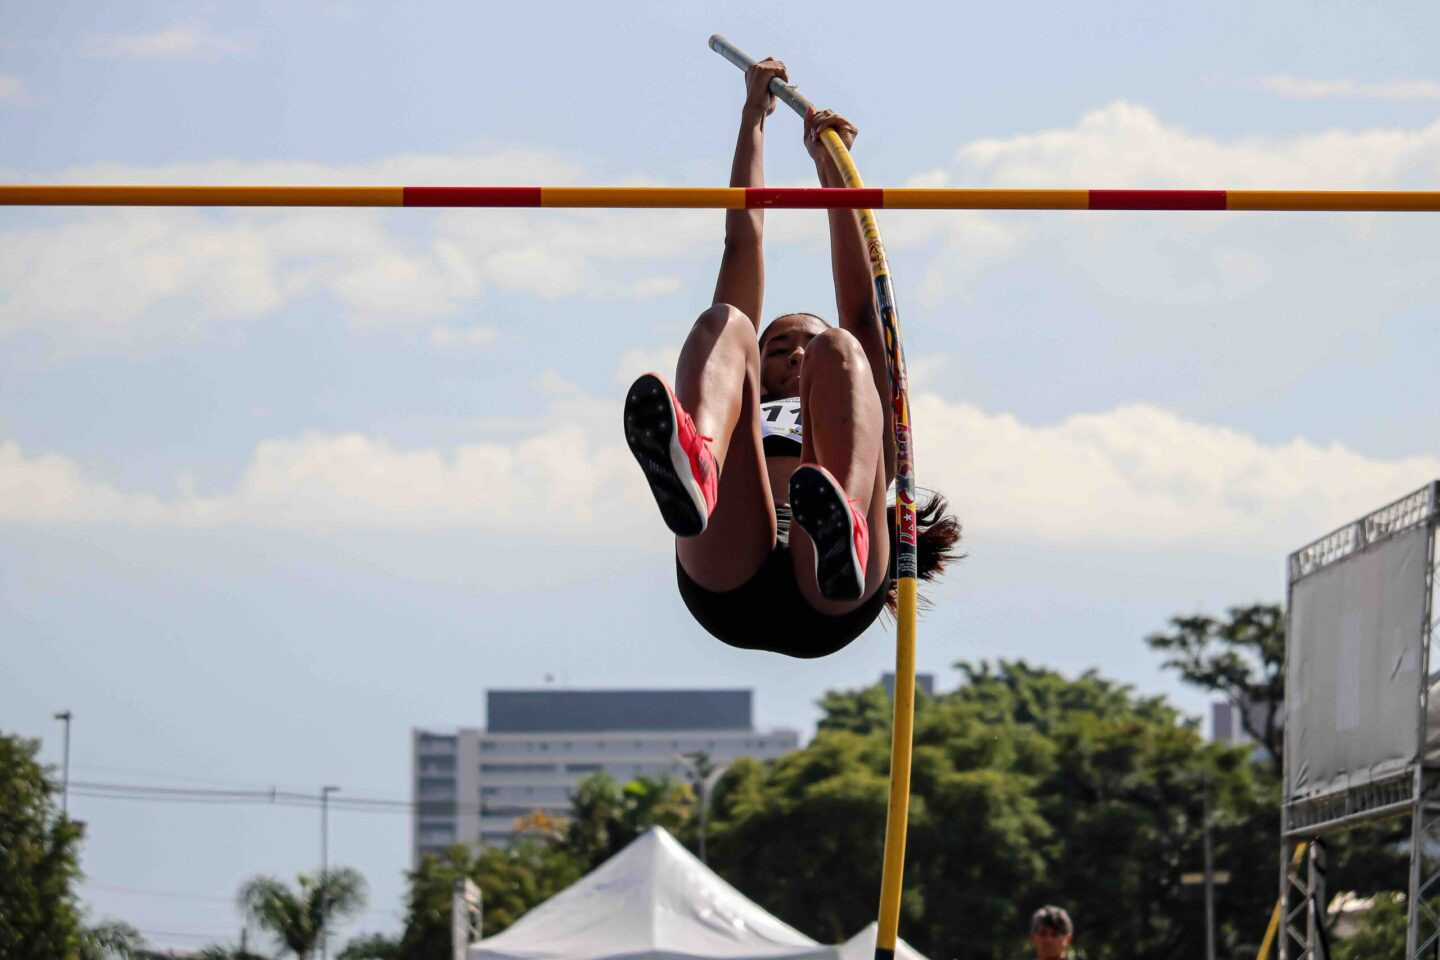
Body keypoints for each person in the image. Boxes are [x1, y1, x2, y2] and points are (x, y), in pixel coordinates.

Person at [623, 57, 961, 658]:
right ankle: (698, 465)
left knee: (845, 345)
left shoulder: (845, 394)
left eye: (803, 343)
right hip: (729, 565)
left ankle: (846, 525)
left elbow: (859, 311)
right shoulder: (749, 411)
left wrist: (835, 172)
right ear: (759, 370)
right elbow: (742, 242)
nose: (798, 353)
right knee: (724, 321)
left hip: (835, 586)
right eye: (779, 348)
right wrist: (752, 117)